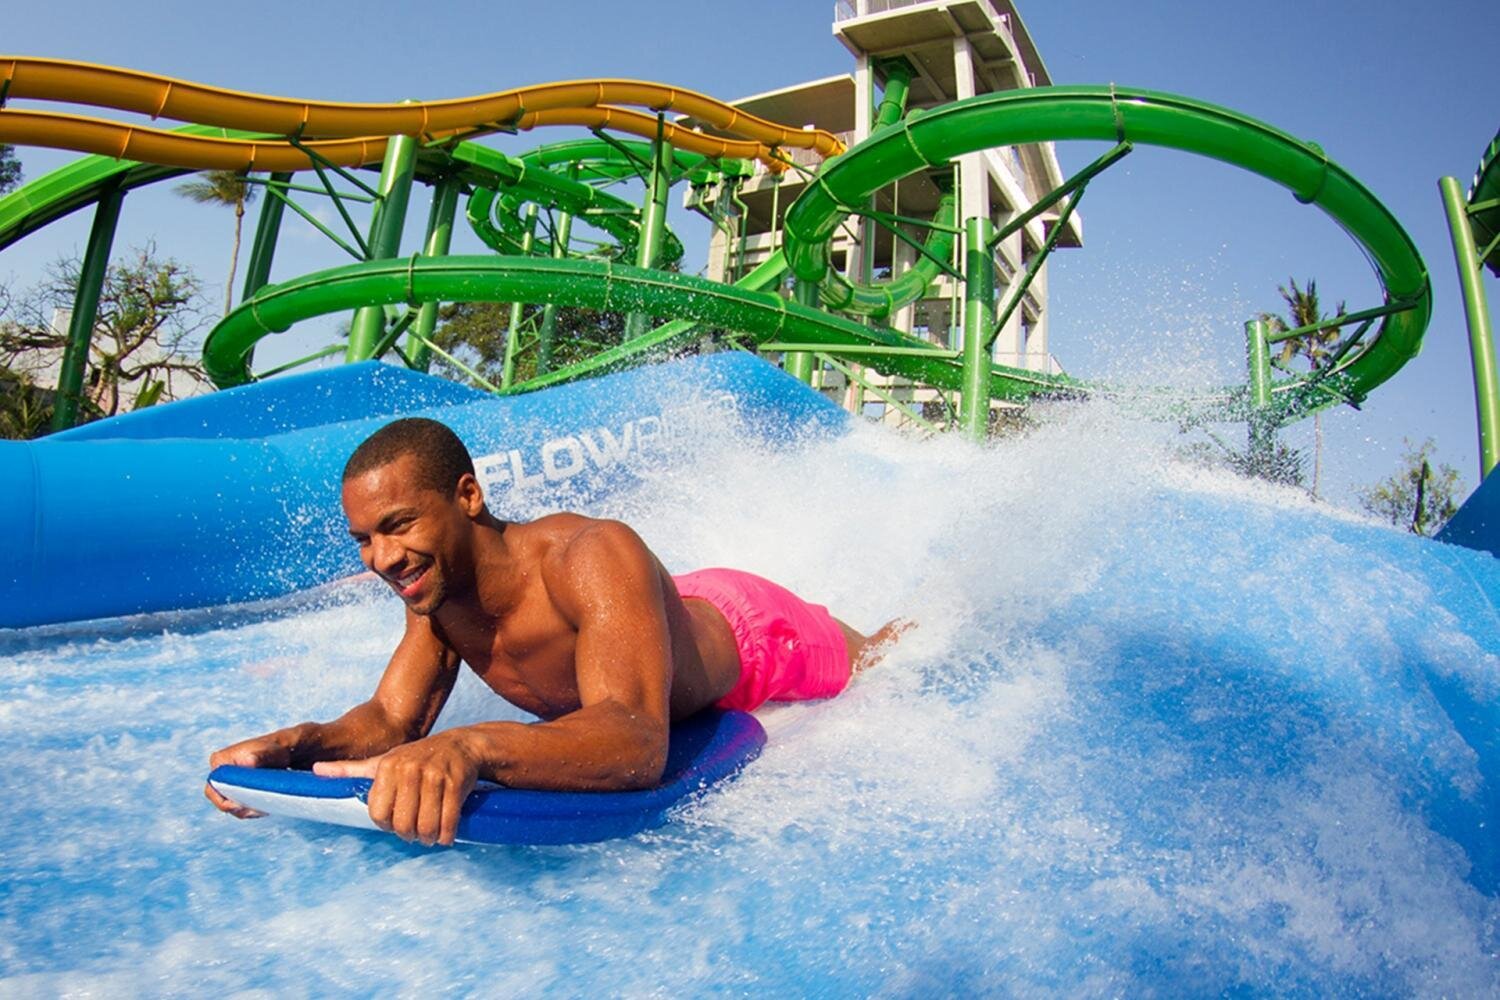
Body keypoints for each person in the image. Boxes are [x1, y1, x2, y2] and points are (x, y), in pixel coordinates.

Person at [207, 417, 903, 847]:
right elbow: (391, 719)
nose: (382, 558)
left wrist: (468, 745)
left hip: (754, 634)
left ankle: (919, 620)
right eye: (364, 539)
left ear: (467, 496)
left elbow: (636, 740)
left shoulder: (589, 553)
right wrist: (291, 746)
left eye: (398, 525)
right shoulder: (436, 595)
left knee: (882, 657)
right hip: (638, 616)